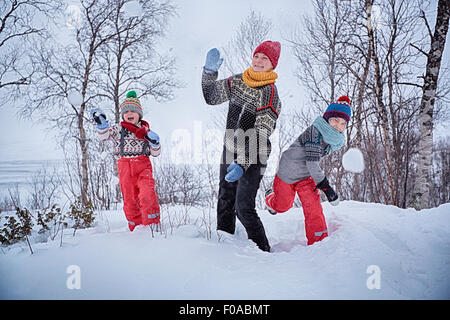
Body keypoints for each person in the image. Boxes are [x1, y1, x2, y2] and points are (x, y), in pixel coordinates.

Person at [201, 41, 282, 252]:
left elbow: (261, 133)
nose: (259, 61)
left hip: (255, 154)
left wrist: (242, 163)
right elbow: (211, 97)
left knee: (243, 207)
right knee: (225, 199)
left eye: (265, 58)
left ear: (272, 64)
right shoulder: (239, 81)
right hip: (230, 147)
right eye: (257, 55)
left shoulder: (270, 94)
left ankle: (263, 251)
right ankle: (224, 245)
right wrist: (210, 72)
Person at [265, 96, 352, 246]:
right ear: (327, 119)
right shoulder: (315, 133)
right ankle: (270, 198)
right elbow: (312, 163)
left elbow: (311, 165)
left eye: (343, 123)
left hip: (306, 176)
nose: (338, 126)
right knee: (283, 206)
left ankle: (319, 242)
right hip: (288, 172)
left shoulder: (331, 138)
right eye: (335, 120)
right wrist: (327, 189)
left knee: (313, 208)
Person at [91, 90, 161, 231]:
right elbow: (103, 137)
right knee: (130, 200)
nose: (130, 113)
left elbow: (155, 153)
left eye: (133, 111)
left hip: (143, 166)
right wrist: (101, 124)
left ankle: (152, 225)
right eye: (126, 111)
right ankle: (136, 228)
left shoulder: (145, 131)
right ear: (123, 115)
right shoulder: (118, 129)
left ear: (139, 115)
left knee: (147, 193)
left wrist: (155, 143)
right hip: (124, 168)